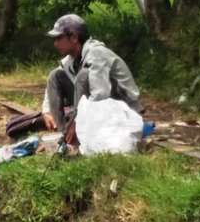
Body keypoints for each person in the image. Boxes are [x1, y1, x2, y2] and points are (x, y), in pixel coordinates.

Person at [42, 14, 144, 143]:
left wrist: (77, 122)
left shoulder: (97, 53)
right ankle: (61, 136)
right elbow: (54, 83)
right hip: (98, 108)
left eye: (59, 38)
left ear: (74, 37)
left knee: (83, 76)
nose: (55, 43)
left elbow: (100, 94)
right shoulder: (71, 59)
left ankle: (74, 135)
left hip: (122, 108)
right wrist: (46, 111)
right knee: (55, 76)